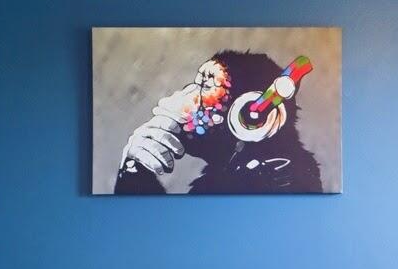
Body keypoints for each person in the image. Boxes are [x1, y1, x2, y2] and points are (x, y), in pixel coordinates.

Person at [115, 49, 322, 194]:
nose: (181, 97)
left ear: (254, 114)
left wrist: (135, 176)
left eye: (205, 85)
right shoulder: (224, 179)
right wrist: (135, 171)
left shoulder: (277, 177)